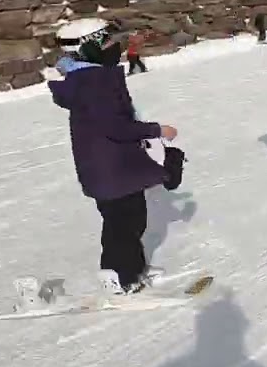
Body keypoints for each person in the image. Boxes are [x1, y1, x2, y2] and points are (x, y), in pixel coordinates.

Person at [48, 19, 183, 295]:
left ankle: (132, 268)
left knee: (127, 220)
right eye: (107, 42)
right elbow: (116, 126)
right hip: (111, 166)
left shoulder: (87, 78)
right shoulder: (95, 82)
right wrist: (157, 130)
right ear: (87, 49)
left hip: (108, 164)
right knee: (124, 224)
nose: (114, 46)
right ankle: (121, 278)